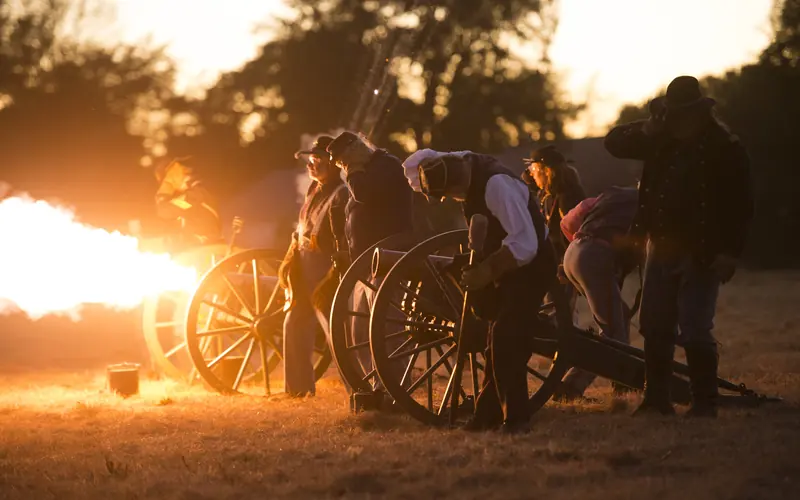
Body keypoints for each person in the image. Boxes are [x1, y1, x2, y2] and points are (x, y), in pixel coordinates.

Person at [605, 75, 754, 417]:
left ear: (700, 112)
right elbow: (613, 143)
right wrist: (647, 131)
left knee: (695, 327)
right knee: (655, 324)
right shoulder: (659, 138)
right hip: (660, 243)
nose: (680, 121)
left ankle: (704, 403)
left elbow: (741, 204)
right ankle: (656, 400)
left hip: (703, 247)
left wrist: (730, 251)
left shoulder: (724, 146)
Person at [414, 151, 556, 433]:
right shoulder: (471, 177)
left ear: (455, 185)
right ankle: (487, 415)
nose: (452, 200)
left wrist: (487, 270)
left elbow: (525, 243)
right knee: (496, 342)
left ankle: (516, 420)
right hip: (508, 268)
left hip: (531, 267)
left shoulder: (496, 186)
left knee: (506, 339)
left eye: (449, 195)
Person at [325, 131, 415, 400]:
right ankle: (377, 387)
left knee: (387, 327)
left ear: (356, 148)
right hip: (363, 262)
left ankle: (395, 389)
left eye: (342, 160)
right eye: (340, 163)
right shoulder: (362, 170)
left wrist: (353, 171)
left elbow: (363, 195)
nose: (342, 166)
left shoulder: (385, 166)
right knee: (361, 332)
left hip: (388, 256)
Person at [553, 186, 642, 401]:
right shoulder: (650, 206)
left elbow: (567, 222)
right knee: (612, 334)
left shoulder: (609, 194)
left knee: (619, 314)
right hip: (594, 256)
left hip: (573, 252)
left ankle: (623, 383)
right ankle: (570, 386)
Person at [277, 135, 350, 397]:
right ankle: (296, 390)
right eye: (311, 159)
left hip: (325, 265)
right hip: (303, 262)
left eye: (318, 159)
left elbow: (343, 237)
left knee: (334, 330)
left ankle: (358, 389)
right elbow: (301, 228)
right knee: (294, 323)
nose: (311, 164)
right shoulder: (313, 190)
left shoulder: (342, 194)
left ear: (333, 164)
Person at [521, 145, 586, 324]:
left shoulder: (567, 197)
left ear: (546, 171)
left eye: (535, 169)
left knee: (561, 313)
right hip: (553, 262)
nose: (532, 174)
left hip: (564, 263)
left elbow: (575, 235)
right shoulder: (549, 194)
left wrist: (565, 266)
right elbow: (527, 179)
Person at [154, 156, 221, 251]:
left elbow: (164, 210)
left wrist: (164, 191)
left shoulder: (197, 194)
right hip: (202, 253)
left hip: (207, 253)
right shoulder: (194, 194)